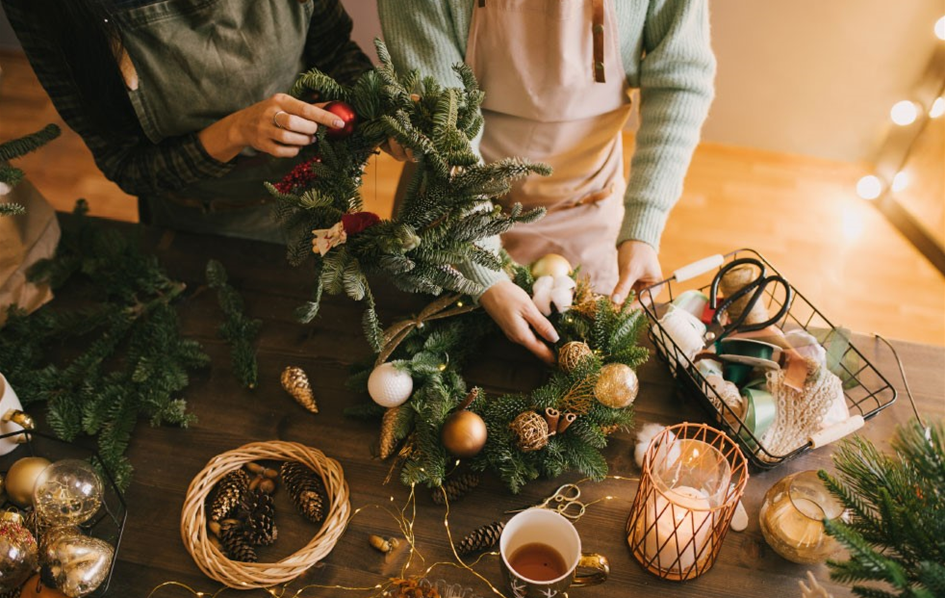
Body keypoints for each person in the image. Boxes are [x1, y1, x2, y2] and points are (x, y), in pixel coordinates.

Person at [378, 0, 715, 364]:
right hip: (452, 213)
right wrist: (482, 273)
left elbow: (679, 83)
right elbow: (444, 125)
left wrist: (643, 228)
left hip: (587, 206)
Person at [1, 0, 373, 242]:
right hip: (194, 227)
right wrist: (236, 130)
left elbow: (336, 50)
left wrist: (376, 111)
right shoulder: (46, 9)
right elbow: (128, 165)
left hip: (316, 200)